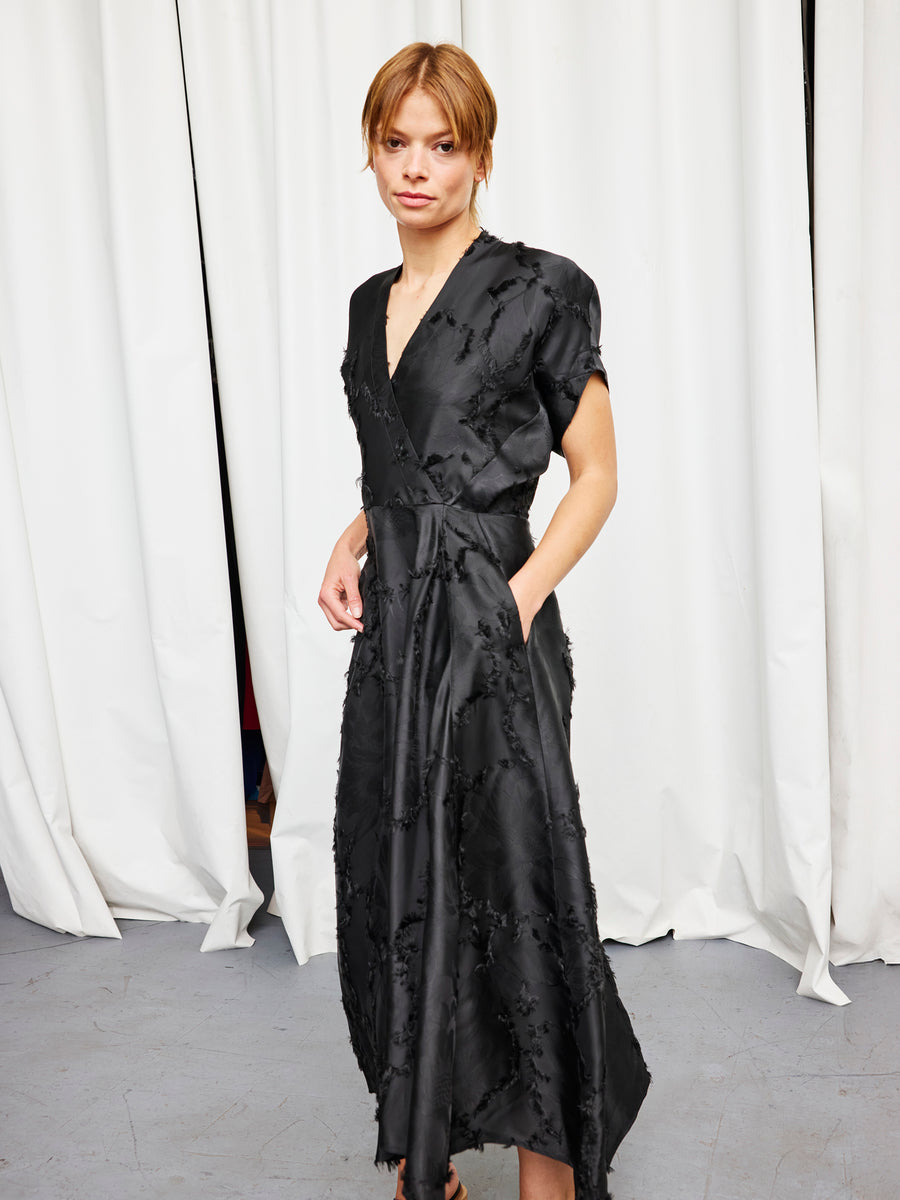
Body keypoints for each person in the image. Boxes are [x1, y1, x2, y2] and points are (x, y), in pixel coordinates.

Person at [318, 42, 650, 1200]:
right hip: (394, 644)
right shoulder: (369, 307)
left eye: (442, 145)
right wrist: (352, 541)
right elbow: (399, 469)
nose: (417, 167)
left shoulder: (540, 289)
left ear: (480, 157)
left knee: (515, 888)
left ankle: (547, 1174)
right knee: (397, 875)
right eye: (396, 142)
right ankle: (427, 1154)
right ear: (370, 152)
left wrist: (514, 603)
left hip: (492, 632)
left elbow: (596, 474)